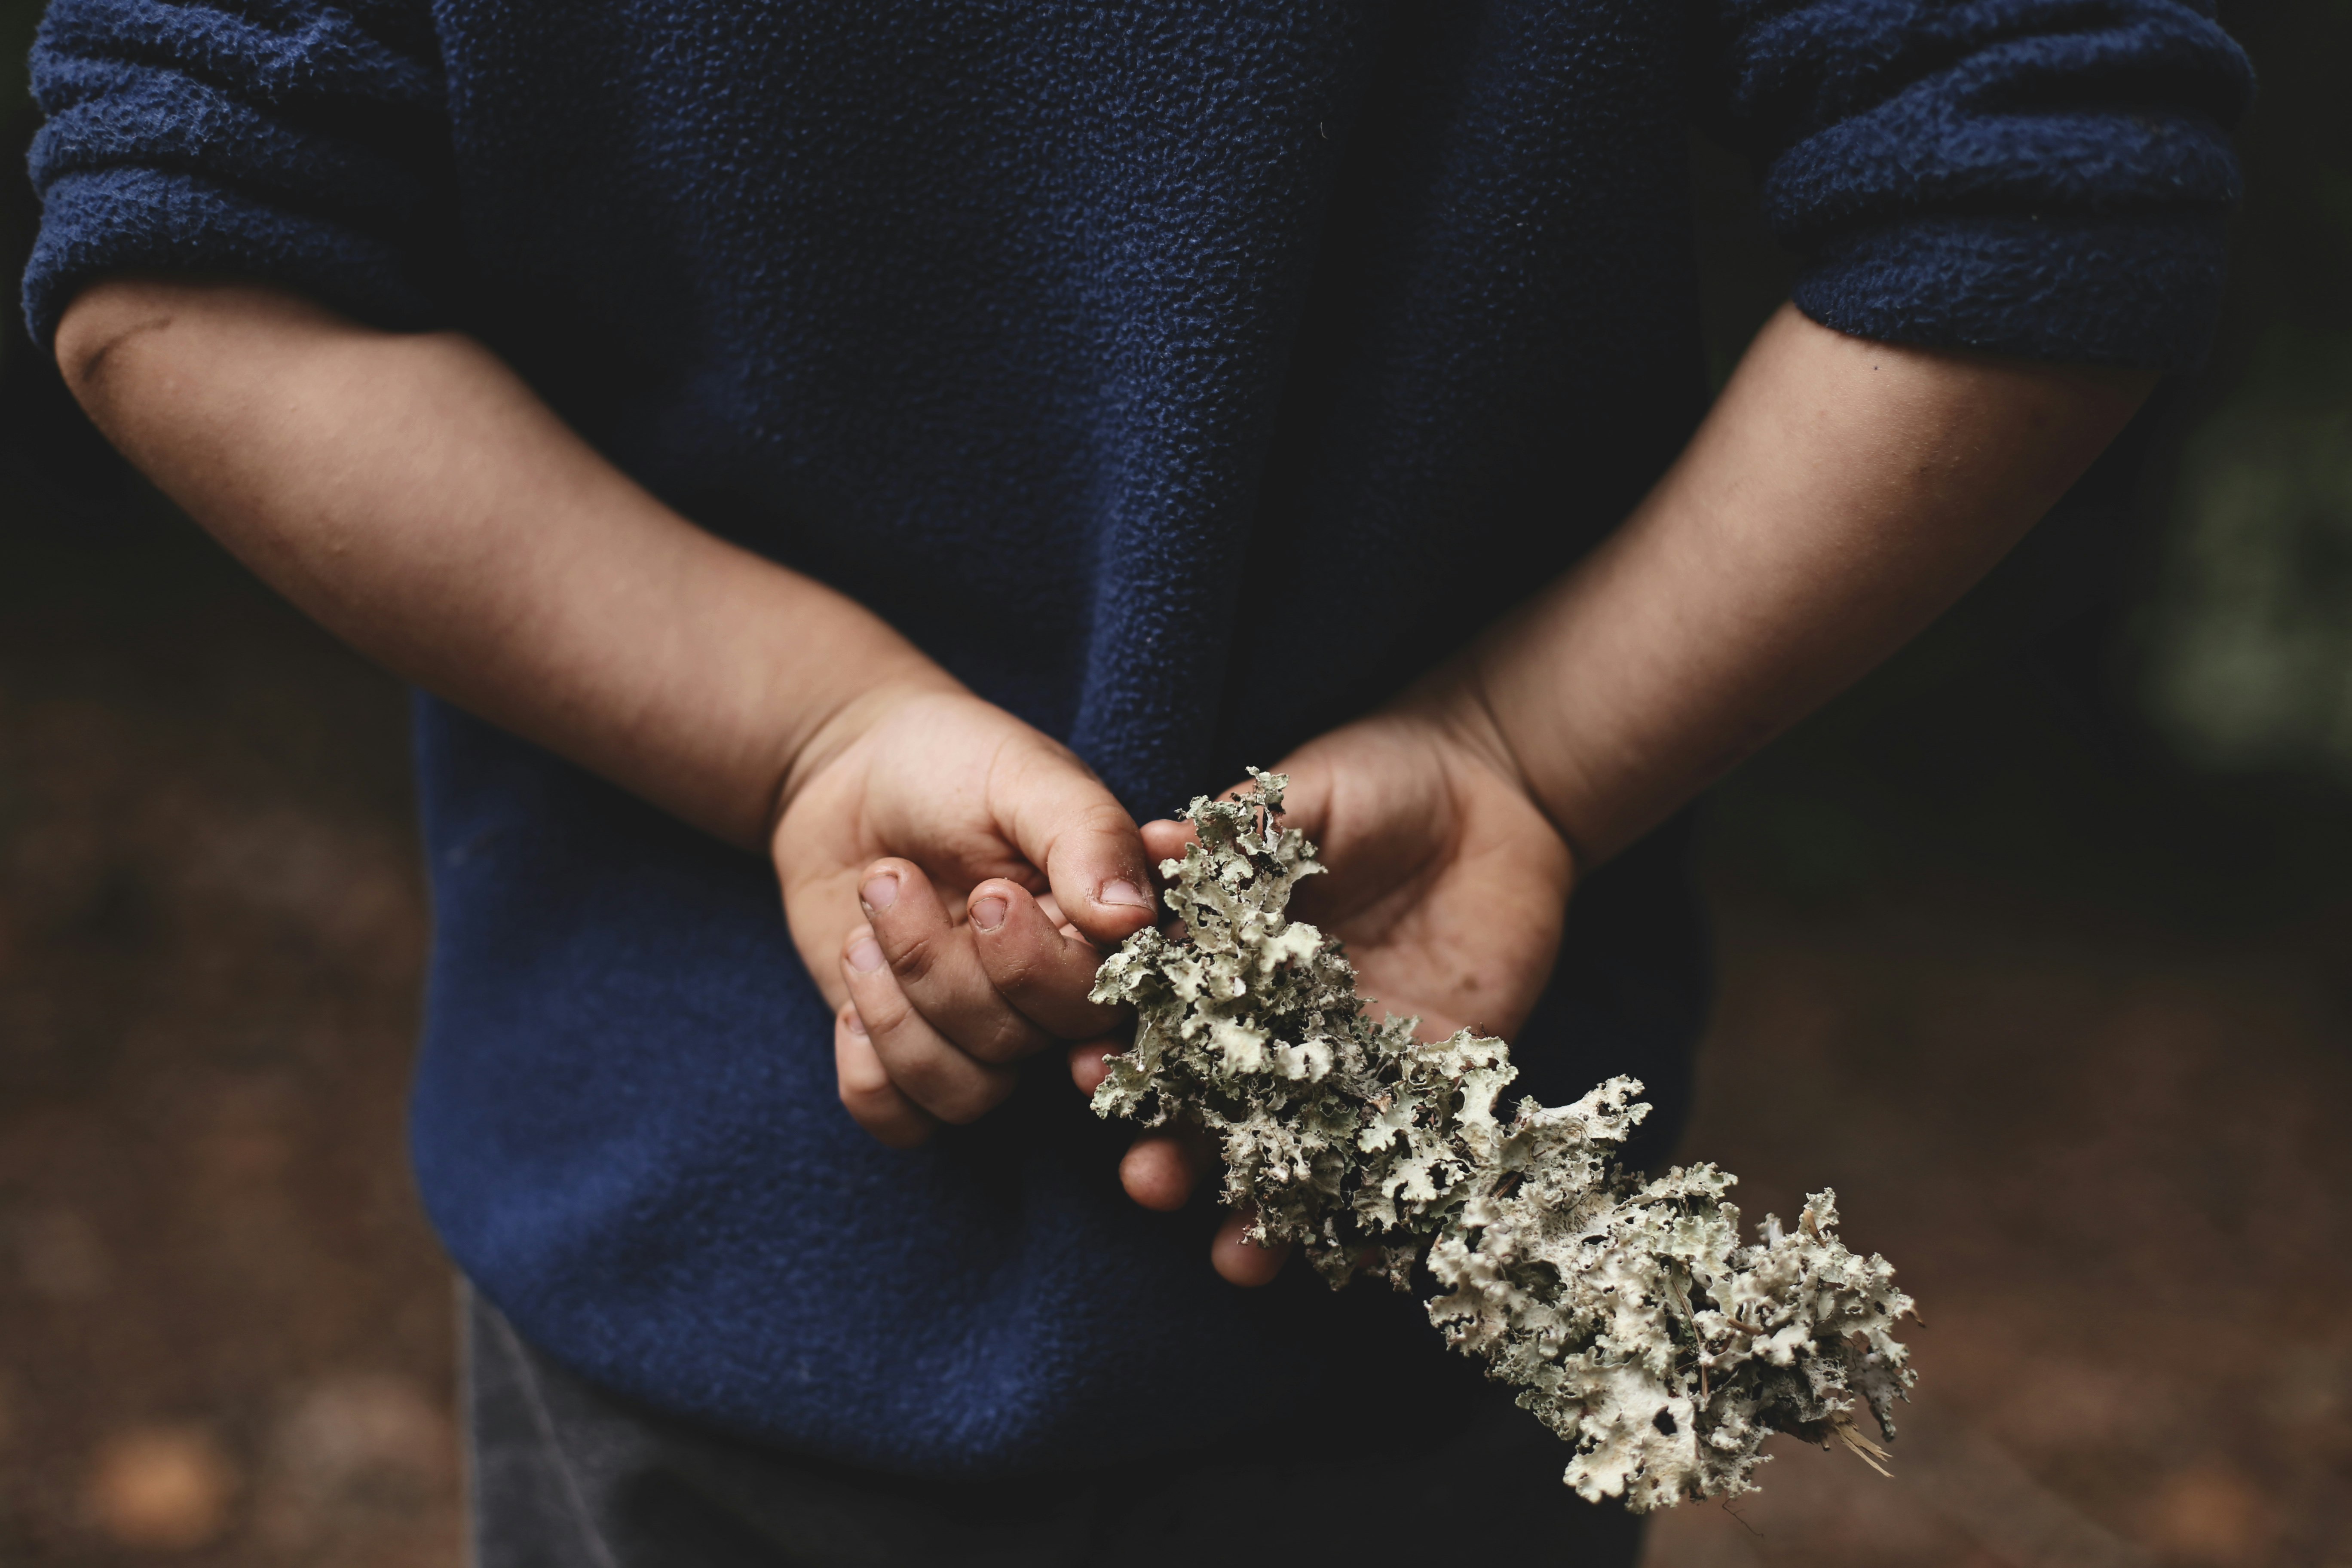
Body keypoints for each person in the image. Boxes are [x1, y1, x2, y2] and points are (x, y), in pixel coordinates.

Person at [23, 0, 2248, 1561]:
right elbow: (2056, 175)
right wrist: (1528, 754)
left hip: (714, 1240)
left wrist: (797, 717)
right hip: (1393, 1292)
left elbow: (175, 241)